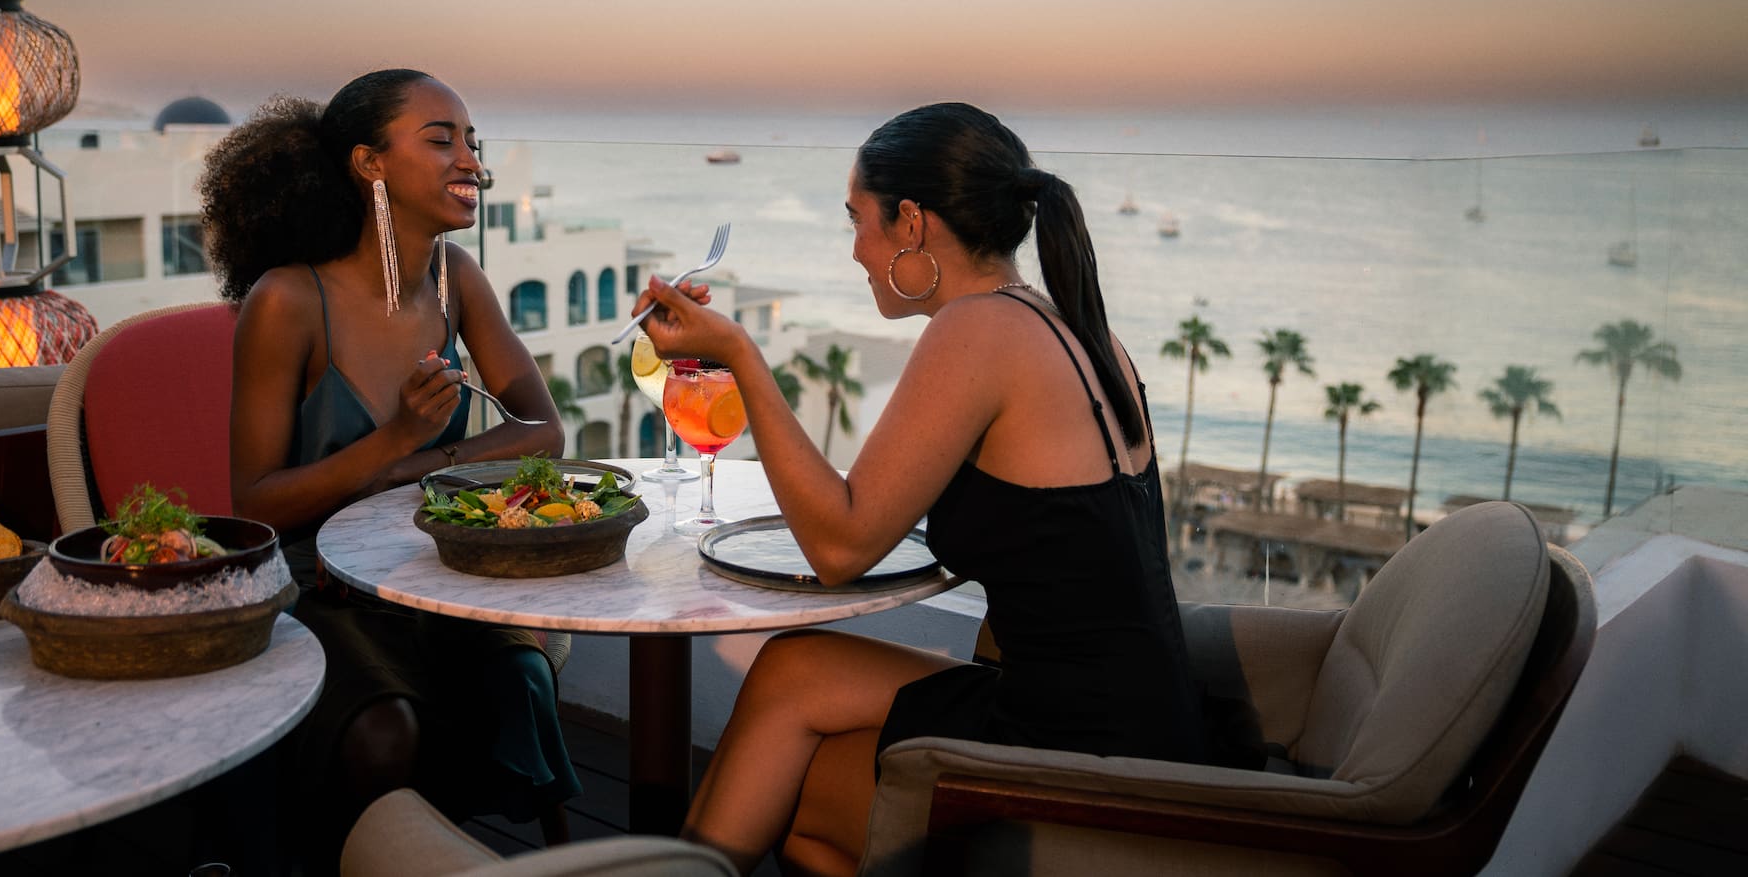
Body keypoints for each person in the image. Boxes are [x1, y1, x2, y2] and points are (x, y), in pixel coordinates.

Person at [635, 103, 1206, 876]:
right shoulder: (1076, 324)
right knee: (791, 671)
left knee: (798, 792)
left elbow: (839, 545)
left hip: (1082, 754)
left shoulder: (976, 333)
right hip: (1140, 719)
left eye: (856, 221)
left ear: (911, 222)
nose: (855, 251)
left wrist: (740, 356)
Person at [198, 69, 581, 863]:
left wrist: (417, 463)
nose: (469, 160)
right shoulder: (288, 300)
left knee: (522, 684)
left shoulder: (457, 281)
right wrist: (394, 439)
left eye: (472, 141)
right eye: (441, 139)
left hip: (437, 572)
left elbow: (544, 430)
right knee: (384, 730)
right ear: (369, 163)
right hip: (316, 587)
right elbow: (257, 503)